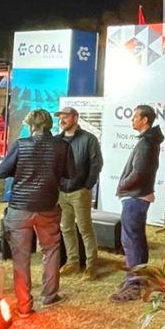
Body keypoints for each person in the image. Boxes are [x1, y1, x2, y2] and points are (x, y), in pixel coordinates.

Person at [0, 108, 73, 315]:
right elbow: (70, 173)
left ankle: (24, 305)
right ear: (49, 125)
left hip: (20, 208)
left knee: (21, 257)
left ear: (31, 126)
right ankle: (49, 296)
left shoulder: (21, 145)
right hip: (48, 206)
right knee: (51, 250)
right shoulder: (62, 146)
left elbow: (1, 171)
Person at [110, 104, 164, 302]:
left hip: (135, 197)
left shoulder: (146, 144)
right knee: (136, 239)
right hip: (138, 195)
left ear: (144, 120)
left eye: (134, 117)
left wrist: (123, 184)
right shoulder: (148, 141)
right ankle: (140, 277)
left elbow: (138, 174)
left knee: (131, 241)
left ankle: (134, 285)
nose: (131, 120)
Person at [55, 106, 104, 278]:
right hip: (62, 192)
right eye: (60, 117)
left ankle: (91, 266)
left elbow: (96, 163)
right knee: (66, 228)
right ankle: (72, 262)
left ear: (76, 118)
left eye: (66, 117)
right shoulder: (57, 140)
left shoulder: (89, 139)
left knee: (85, 228)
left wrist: (87, 186)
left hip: (80, 191)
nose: (62, 120)